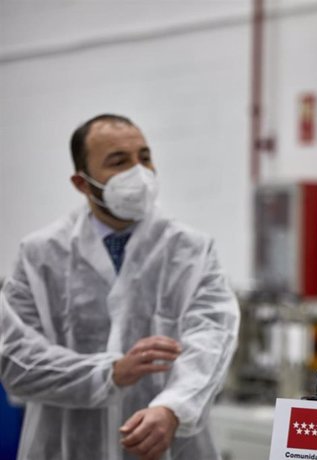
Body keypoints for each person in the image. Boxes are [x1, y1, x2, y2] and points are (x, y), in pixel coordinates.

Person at [1, 114, 240, 460]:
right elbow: (15, 362)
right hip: (64, 447)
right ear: (82, 183)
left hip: (171, 448)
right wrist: (108, 373)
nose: (139, 172)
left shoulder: (191, 249)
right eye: (119, 161)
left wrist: (173, 408)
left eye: (144, 157)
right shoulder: (39, 255)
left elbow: (212, 339)